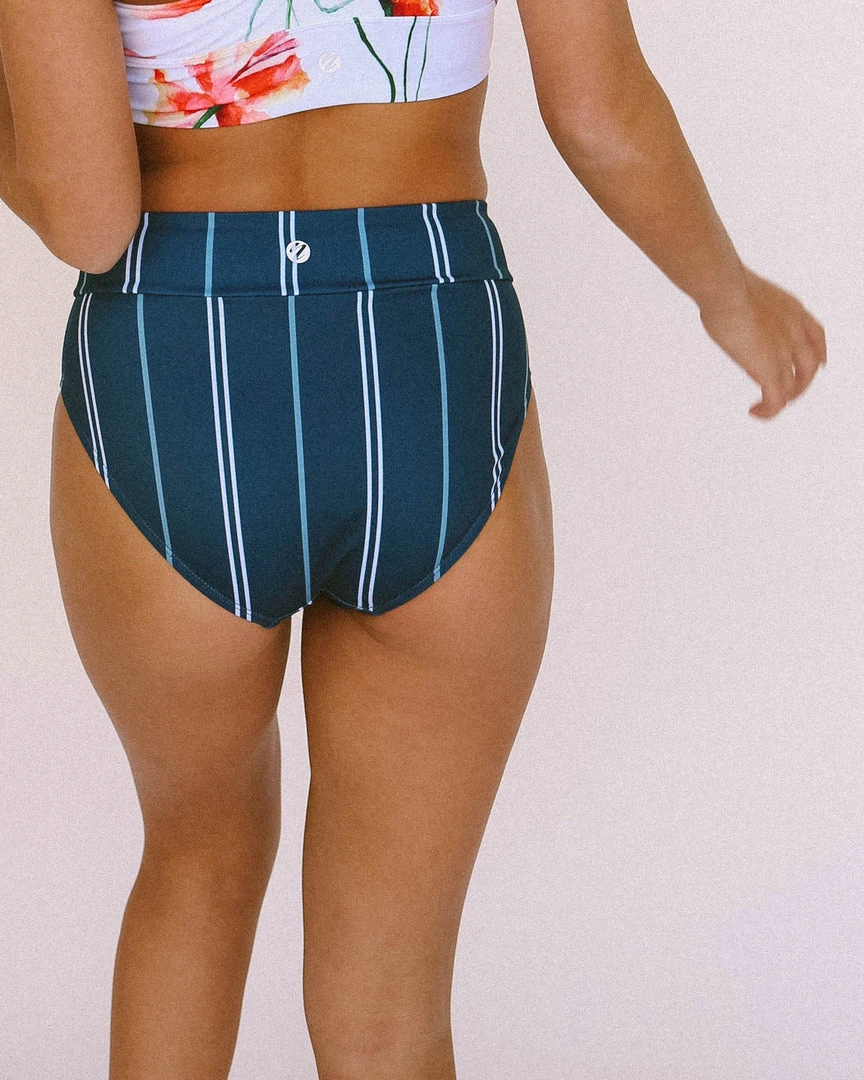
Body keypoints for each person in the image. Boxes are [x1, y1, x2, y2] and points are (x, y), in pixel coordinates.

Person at [0, 0, 826, 1076]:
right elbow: (598, 111)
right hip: (427, 358)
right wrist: (729, 295)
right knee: (390, 1012)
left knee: (197, 859)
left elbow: (90, 218)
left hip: (177, 371)